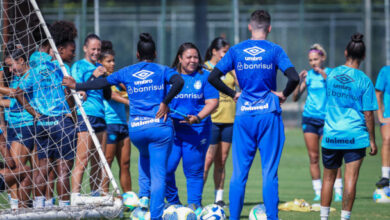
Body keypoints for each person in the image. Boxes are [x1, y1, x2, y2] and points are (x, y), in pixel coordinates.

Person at [62, 33, 184, 220]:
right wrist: (165, 102)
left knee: (144, 155)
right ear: (156, 53)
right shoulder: (162, 70)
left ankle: (143, 198)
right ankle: (156, 215)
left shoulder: (127, 71)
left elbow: (103, 82)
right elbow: (179, 81)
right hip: (158, 128)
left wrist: (77, 84)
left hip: (137, 130)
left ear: (137, 54)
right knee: (159, 173)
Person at [208, 10, 299, 220]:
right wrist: (283, 94)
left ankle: (234, 218)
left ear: (250, 27)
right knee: (269, 171)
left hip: (244, 115)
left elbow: (213, 77)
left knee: (239, 173)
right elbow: (293, 77)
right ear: (269, 28)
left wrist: (233, 94)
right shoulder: (275, 50)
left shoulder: (236, 50)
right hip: (268, 114)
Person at [319, 33, 378, 220]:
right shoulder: (364, 80)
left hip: (331, 136)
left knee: (328, 179)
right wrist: (372, 140)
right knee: (350, 179)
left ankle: (324, 218)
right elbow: (368, 114)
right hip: (355, 136)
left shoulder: (332, 74)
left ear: (345, 52)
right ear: (364, 56)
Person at [165, 42, 219, 213]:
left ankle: (194, 206)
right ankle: (174, 203)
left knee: (194, 171)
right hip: (172, 131)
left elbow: (213, 103)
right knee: (166, 169)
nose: (193, 60)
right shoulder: (170, 76)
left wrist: (197, 118)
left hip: (197, 130)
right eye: (188, 57)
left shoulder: (205, 77)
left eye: (196, 57)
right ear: (180, 58)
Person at [292, 44, 343, 202]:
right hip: (309, 118)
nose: (313, 63)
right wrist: (299, 81)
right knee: (313, 157)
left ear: (323, 58)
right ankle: (318, 191)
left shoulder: (330, 73)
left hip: (328, 120)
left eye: (316, 59)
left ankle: (338, 191)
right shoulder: (308, 76)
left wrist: (325, 77)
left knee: (331, 156)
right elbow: (295, 98)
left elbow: (337, 92)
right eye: (310, 60)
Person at [70, 33, 111, 198]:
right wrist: (94, 76)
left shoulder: (100, 67)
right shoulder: (79, 66)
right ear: (85, 48)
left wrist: (105, 77)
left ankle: (95, 196)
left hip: (100, 115)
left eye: (98, 49)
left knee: (98, 160)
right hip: (85, 116)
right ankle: (75, 197)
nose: (96, 52)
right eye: (93, 49)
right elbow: (77, 88)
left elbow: (106, 95)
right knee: (83, 160)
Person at [203, 37, 238, 206]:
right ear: (214, 51)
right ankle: (197, 198)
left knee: (222, 161)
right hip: (212, 121)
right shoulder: (205, 68)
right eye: (224, 51)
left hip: (229, 120)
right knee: (207, 160)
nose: (227, 54)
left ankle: (219, 199)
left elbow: (240, 85)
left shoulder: (231, 68)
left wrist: (232, 70)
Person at [1, 45, 36, 209]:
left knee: (16, 171)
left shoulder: (30, 75)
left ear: (21, 60)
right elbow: (12, 103)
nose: (10, 69)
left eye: (11, 65)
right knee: (14, 169)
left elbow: (16, 93)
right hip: (13, 126)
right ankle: (20, 206)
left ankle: (19, 209)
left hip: (25, 126)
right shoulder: (17, 76)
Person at [99, 40, 132, 194]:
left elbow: (129, 89)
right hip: (110, 124)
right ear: (101, 62)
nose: (112, 64)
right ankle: (104, 195)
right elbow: (111, 95)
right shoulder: (102, 79)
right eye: (108, 61)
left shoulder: (117, 77)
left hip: (123, 125)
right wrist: (128, 100)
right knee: (108, 161)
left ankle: (129, 198)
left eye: (113, 61)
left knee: (125, 163)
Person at [374, 65, 390, 188]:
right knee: (387, 139)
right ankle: (385, 177)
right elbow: (378, 93)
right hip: (388, 116)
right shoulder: (385, 71)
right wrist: (380, 116)